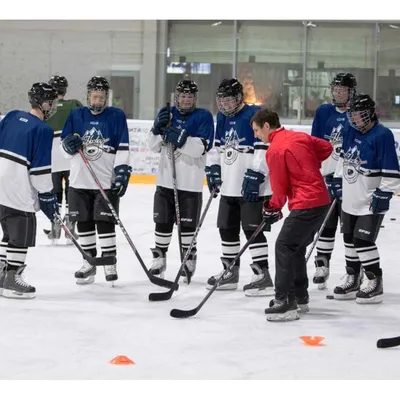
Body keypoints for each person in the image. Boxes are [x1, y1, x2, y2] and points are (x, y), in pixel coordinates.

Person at [251, 108, 333, 321]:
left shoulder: (275, 150)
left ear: (267, 126)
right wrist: (310, 165)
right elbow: (326, 147)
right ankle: (299, 295)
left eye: (257, 130)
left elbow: (279, 187)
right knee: (295, 247)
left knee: (284, 246)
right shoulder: (299, 136)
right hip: (321, 201)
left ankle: (285, 301)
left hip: (307, 203)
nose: (256, 135)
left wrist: (272, 207)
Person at [205, 78, 274, 296]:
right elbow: (217, 147)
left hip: (251, 187)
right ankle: (230, 273)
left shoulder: (255, 114)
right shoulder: (222, 118)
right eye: (221, 100)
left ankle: (262, 274)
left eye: (228, 100)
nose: (224, 105)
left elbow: (264, 146)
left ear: (238, 98)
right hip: (229, 186)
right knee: (226, 228)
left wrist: (256, 174)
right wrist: (213, 169)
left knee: (252, 230)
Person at [60, 76, 131, 285]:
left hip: (104, 180)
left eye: (101, 97)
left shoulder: (116, 115)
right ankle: (89, 262)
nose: (97, 100)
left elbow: (123, 147)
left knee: (105, 222)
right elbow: (64, 147)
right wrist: (68, 146)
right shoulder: (76, 114)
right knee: (84, 222)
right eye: (94, 96)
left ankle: (109, 262)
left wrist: (121, 172)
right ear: (88, 96)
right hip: (79, 180)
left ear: (106, 98)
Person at [330, 94, 400, 303]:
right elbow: (344, 159)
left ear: (370, 114)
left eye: (358, 115)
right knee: (349, 239)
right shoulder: (350, 130)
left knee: (363, 240)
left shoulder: (383, 135)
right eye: (351, 114)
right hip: (351, 197)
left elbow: (391, 168)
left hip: (369, 198)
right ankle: (353, 276)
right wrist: (336, 179)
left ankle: (374, 280)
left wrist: (385, 191)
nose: (354, 119)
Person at [147, 79, 214, 283]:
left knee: (187, 227)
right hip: (165, 181)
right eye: (183, 96)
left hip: (190, 184)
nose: (186, 100)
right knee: (163, 222)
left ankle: (188, 258)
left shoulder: (204, 116)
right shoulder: (167, 114)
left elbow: (200, 148)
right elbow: (152, 146)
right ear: (177, 97)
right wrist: (158, 129)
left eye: (190, 96)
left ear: (195, 98)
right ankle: (159, 258)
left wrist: (181, 138)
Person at [0, 83, 59, 299]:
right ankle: (11, 279)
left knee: (8, 232)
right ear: (44, 103)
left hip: (0, 187)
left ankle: (1, 275)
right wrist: (47, 196)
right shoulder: (43, 129)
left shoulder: (12, 116)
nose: (53, 107)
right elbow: (39, 171)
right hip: (18, 189)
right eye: (52, 102)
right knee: (21, 234)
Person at [310, 72, 357, 289]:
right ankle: (322, 265)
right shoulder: (323, 112)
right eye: (335, 89)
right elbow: (315, 144)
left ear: (351, 92)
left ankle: (353, 271)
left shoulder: (357, 114)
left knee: (349, 228)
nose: (338, 93)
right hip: (325, 179)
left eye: (343, 89)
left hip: (350, 180)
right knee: (325, 224)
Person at [46, 75, 83, 243]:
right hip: (70, 157)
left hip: (52, 158)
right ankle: (70, 226)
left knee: (55, 192)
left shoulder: (47, 109)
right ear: (65, 90)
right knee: (71, 192)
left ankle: (54, 227)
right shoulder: (74, 105)